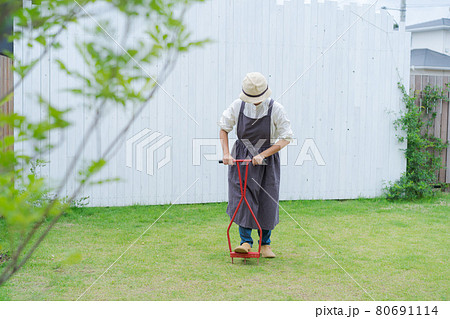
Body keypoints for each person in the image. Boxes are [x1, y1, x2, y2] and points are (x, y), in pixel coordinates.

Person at [218, 72, 293, 258]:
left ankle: (265, 244)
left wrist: (262, 154)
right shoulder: (238, 106)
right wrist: (226, 153)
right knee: (241, 197)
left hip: (266, 158)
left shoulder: (276, 109)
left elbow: (286, 138)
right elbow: (223, 128)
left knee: (267, 197)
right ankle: (245, 241)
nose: (256, 102)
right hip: (242, 156)